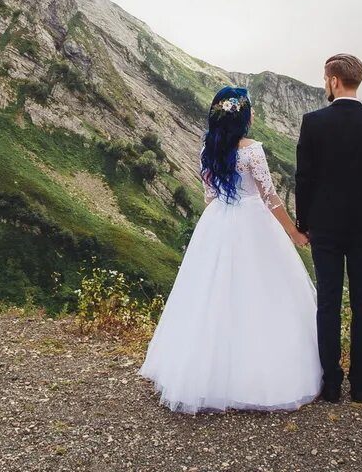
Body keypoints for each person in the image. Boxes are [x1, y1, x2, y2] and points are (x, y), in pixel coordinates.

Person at [138, 85, 323, 412]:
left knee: (212, 294)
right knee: (261, 293)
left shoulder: (208, 149)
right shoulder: (253, 150)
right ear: (245, 117)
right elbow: (270, 198)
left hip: (218, 220)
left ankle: (205, 373)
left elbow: (209, 195)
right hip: (254, 221)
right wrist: (294, 232)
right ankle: (256, 376)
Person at [294, 53, 362, 404]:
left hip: (324, 224)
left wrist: (303, 223)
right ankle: (360, 385)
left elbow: (304, 179)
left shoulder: (313, 122)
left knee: (328, 303)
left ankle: (332, 384)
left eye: (326, 79)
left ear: (334, 81)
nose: (326, 84)